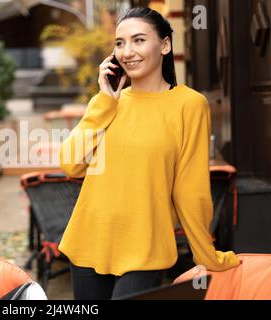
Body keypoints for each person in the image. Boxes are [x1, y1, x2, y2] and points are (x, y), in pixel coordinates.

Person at [58, 7, 241, 300]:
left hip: (146, 246)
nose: (127, 52)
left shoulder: (189, 105)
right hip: (88, 241)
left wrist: (205, 255)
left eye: (139, 40)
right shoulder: (106, 102)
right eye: (120, 43)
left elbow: (190, 189)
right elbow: (71, 164)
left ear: (165, 45)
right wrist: (105, 103)